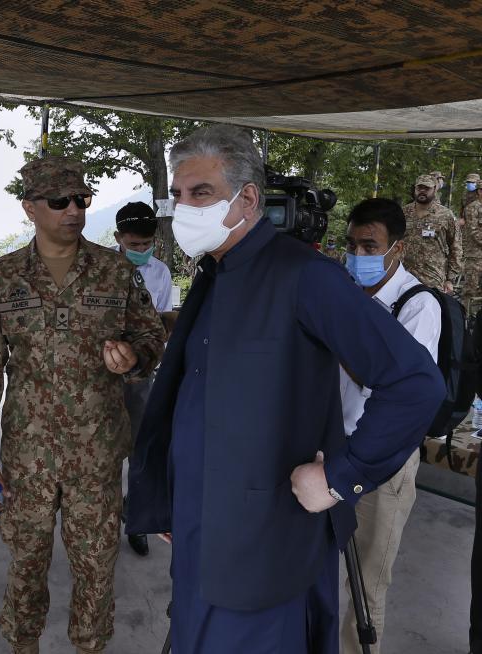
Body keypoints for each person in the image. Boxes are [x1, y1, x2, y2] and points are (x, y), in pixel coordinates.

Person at [126, 125, 444, 654]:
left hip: (263, 549)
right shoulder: (215, 274)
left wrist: (343, 477)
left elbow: (415, 383)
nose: (184, 208)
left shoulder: (306, 277)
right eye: (177, 196)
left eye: (200, 193)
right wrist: (174, 497)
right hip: (201, 531)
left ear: (247, 198)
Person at [0, 156, 167, 654]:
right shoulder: (4, 278)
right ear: (31, 207)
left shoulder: (115, 272)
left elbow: (152, 337)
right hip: (27, 456)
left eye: (82, 200)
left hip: (96, 456)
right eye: (59, 201)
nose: (73, 210)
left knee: (96, 566)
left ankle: (89, 647)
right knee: (26, 563)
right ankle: (23, 644)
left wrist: (135, 357)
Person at [338, 198, 441, 654]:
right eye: (352, 244)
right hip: (333, 452)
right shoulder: (345, 293)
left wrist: (336, 336)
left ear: (396, 249)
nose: (359, 255)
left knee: (366, 590)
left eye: (370, 245)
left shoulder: (418, 306)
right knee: (319, 574)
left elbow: (399, 387)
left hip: (383, 465)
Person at [112, 200, 172, 557]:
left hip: (141, 374)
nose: (139, 251)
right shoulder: (99, 267)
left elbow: (161, 322)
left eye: (145, 245)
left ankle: (134, 516)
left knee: (140, 448)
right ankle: (103, 514)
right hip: (102, 373)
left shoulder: (160, 273)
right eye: (132, 244)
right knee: (104, 448)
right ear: (118, 237)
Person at [402, 173, 462, 294]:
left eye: (427, 188)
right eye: (419, 188)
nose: (422, 191)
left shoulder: (445, 215)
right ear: (415, 189)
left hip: (432, 278)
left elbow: (456, 247)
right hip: (404, 275)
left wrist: (450, 279)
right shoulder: (403, 212)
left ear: (435, 189)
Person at [462, 174, 482, 309]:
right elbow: (474, 231)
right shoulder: (472, 208)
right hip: (474, 256)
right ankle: (465, 318)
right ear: (480, 191)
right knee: (471, 289)